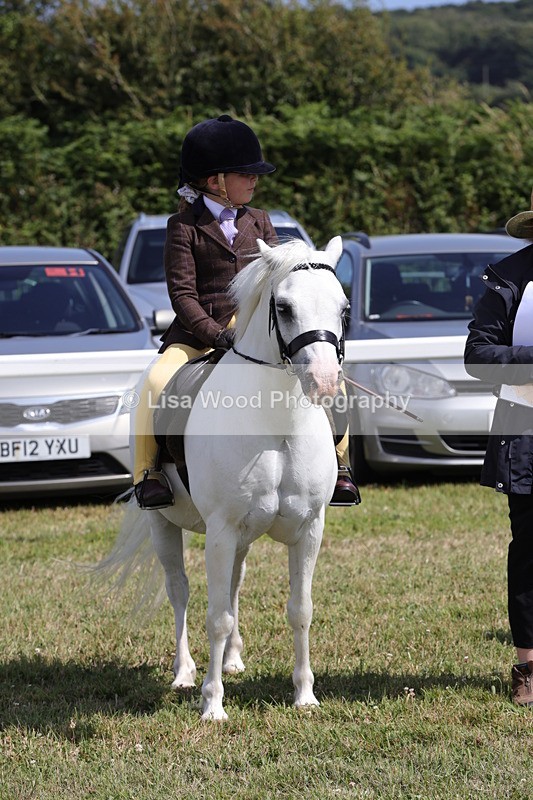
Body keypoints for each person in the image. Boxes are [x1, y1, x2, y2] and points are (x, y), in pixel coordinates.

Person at [132, 114, 360, 510]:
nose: (255, 180)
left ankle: (340, 466)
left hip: (259, 333)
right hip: (199, 336)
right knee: (156, 380)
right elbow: (183, 296)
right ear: (214, 180)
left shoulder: (260, 221)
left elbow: (280, 282)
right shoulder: (182, 227)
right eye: (245, 174)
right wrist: (217, 336)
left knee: (334, 383)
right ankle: (149, 474)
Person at [464, 187, 533, 705]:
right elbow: (478, 354)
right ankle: (528, 667)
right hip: (527, 431)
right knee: (530, 552)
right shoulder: (509, 277)